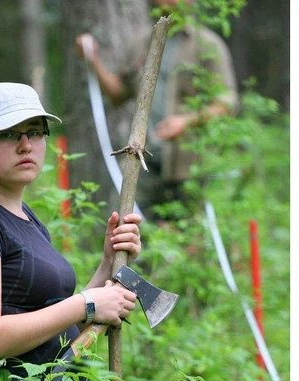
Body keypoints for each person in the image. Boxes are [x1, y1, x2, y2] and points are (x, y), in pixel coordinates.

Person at [0, 82, 142, 381]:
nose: (26, 145)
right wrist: (86, 303)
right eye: (8, 134)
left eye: (35, 132)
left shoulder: (21, 214)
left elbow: (55, 330)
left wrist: (107, 265)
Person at [75, 0, 239, 222]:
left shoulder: (207, 45)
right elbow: (118, 93)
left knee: (190, 236)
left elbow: (227, 104)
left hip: (188, 165)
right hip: (143, 162)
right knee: (131, 227)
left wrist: (187, 121)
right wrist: (92, 60)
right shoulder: (141, 43)